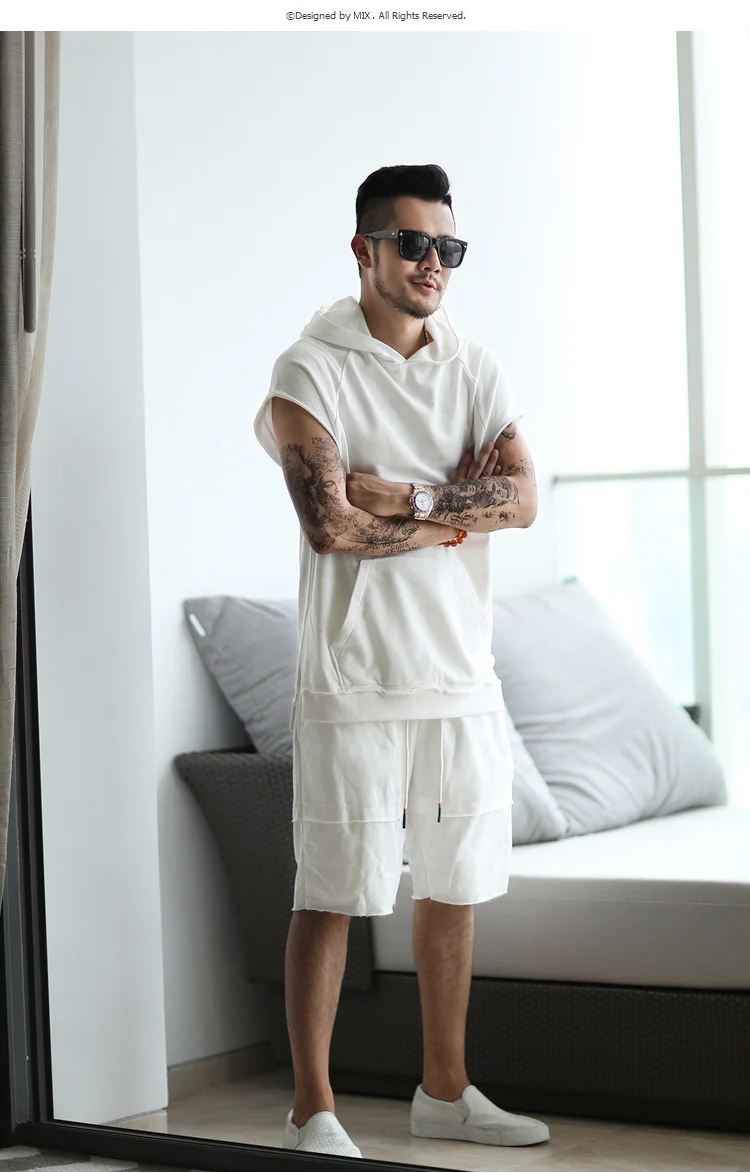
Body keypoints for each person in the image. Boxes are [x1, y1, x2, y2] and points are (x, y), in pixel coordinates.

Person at [253, 163, 547, 1160]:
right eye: (414, 243)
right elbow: (331, 525)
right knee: (332, 890)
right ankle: (313, 1110)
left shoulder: (475, 365)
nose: (433, 264)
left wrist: (409, 499)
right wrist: (456, 513)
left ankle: (445, 1093)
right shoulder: (310, 368)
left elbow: (523, 499)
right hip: (353, 677)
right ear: (364, 250)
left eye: (448, 247)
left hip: (458, 672)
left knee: (452, 886)